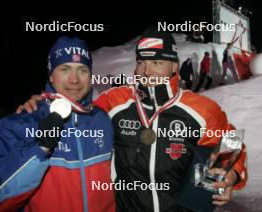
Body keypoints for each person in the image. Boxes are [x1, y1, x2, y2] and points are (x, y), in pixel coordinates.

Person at [16, 29, 247, 212]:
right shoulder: (114, 102)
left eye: (157, 62)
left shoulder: (202, 109)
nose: (146, 71)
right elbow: (77, 115)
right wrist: (45, 103)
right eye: (141, 62)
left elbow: (232, 141)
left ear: (174, 66)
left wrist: (230, 174)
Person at [0, 36, 115, 212]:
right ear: (51, 75)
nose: (74, 80)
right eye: (65, 69)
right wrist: (40, 149)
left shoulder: (104, 119)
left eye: (82, 70)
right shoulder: (18, 125)